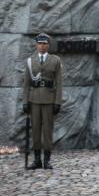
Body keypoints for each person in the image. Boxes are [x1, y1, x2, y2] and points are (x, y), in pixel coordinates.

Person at [22, 33, 63, 170]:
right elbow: (26, 83)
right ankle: (37, 160)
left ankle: (47, 160)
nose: (42, 46)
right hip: (34, 100)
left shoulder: (55, 60)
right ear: (36, 45)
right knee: (35, 131)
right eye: (39, 43)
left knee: (47, 130)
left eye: (44, 43)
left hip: (49, 100)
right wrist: (25, 101)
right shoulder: (30, 60)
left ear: (48, 45)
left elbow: (59, 82)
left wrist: (58, 102)